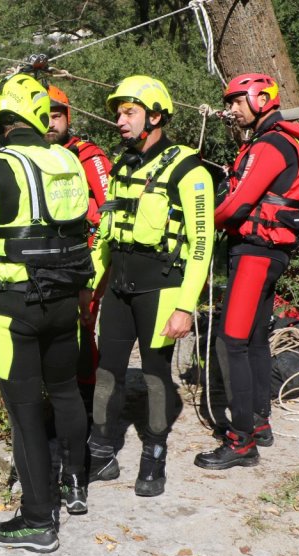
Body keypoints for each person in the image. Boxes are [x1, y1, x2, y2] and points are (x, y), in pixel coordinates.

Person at [0, 72, 92, 553]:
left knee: (25, 414)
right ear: (38, 115)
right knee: (66, 393)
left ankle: (37, 521)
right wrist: (84, 296)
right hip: (65, 300)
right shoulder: (68, 160)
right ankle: (75, 484)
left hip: (16, 309)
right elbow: (74, 231)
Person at [85, 75, 214, 496]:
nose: (120, 121)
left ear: (155, 117)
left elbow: (202, 245)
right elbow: (106, 235)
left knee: (157, 375)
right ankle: (101, 453)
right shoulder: (121, 166)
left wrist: (185, 306)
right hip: (119, 288)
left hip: (161, 288)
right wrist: (89, 285)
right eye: (118, 114)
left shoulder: (189, 171)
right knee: (107, 372)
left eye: (129, 112)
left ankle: (154, 454)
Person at [196, 73, 299, 470]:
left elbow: (237, 205)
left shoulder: (269, 145)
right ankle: (259, 422)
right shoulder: (280, 140)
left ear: (260, 99)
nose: (232, 109)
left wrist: (202, 221)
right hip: (270, 252)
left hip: (255, 252)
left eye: (237, 101)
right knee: (253, 339)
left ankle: (241, 442)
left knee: (232, 340)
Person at [44, 84, 113, 403]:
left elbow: (110, 207)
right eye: (44, 117)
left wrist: (94, 267)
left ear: (67, 118)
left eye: (56, 116)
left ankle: (88, 394)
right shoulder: (34, 157)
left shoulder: (88, 154)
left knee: (83, 324)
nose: (50, 123)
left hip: (89, 251)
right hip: (52, 256)